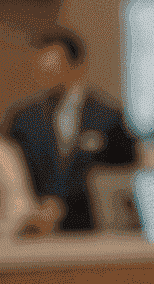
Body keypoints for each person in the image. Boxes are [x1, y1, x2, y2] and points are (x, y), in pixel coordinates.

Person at [4, 26, 137, 230]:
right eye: (42, 67)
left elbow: (124, 173)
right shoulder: (23, 119)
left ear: (76, 66)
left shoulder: (107, 117)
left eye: (53, 66)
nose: (46, 73)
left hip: (94, 227)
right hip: (35, 228)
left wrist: (63, 204)